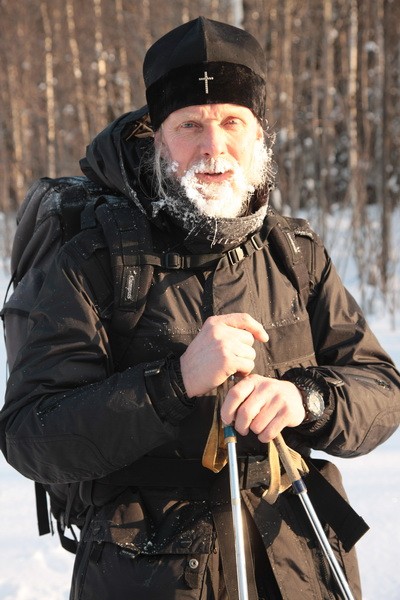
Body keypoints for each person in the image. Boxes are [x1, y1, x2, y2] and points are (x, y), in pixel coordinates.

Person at [1, 16, 400, 600]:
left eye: (232, 121)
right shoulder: (92, 259)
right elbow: (32, 435)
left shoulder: (295, 252)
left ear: (259, 136)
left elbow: (382, 389)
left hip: (298, 565)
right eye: (190, 125)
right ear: (157, 137)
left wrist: (306, 398)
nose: (214, 147)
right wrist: (173, 384)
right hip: (149, 576)